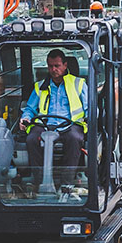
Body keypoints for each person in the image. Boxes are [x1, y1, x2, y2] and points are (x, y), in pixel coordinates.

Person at [18, 50, 87, 180]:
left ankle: (67, 182)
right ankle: (38, 181)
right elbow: (30, 108)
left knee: (75, 138)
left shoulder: (79, 84)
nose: (53, 69)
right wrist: (26, 118)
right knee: (31, 139)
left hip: (70, 124)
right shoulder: (40, 86)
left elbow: (89, 107)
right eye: (50, 66)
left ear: (65, 65)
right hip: (44, 125)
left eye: (57, 66)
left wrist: (90, 120)